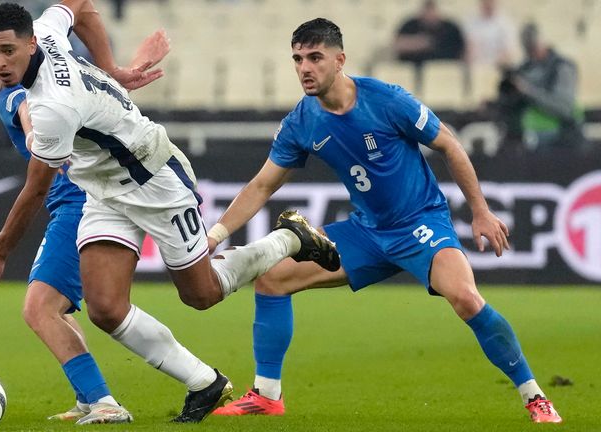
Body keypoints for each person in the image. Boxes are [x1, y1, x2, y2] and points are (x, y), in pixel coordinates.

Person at [0, 1, 339, 423]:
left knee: (202, 294)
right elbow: (82, 5)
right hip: (103, 188)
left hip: (153, 178)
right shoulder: (47, 30)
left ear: (31, 44)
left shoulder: (51, 106)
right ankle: (204, 382)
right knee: (105, 308)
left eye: (7, 52)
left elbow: (36, 189)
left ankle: (289, 238)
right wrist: (112, 70)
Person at [208, 18, 562, 424]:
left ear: (340, 60)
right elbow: (259, 186)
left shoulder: (386, 99)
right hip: (367, 232)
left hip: (420, 224)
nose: (305, 68)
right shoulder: (301, 121)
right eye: (298, 59)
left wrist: (480, 211)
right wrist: (215, 235)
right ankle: (267, 396)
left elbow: (449, 143)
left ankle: (535, 396)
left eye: (315, 57)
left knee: (465, 298)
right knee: (272, 278)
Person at [0, 9, 170, 425]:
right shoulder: (27, 84)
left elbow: (32, 122)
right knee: (52, 308)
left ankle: (105, 402)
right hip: (76, 200)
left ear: (20, 50)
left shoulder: (17, 94)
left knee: (39, 309)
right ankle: (89, 397)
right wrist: (112, 69)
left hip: (80, 202)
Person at [496, 23, 584, 153]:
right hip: (529, 140)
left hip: (561, 139)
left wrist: (528, 91)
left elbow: (564, 107)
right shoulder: (525, 68)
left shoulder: (561, 68)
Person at [394, 0, 465, 66]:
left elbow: (463, 49)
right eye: (427, 11)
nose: (430, 14)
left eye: (432, 11)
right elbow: (397, 45)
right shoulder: (410, 25)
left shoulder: (450, 27)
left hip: (447, 68)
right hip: (415, 68)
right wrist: (417, 43)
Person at [463, 0, 518, 67]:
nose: (488, 4)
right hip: (476, 67)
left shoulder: (506, 24)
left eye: (491, 2)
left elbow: (508, 52)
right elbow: (469, 49)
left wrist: (493, 66)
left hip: (498, 68)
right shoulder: (471, 23)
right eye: (485, 2)